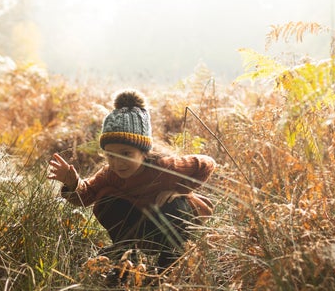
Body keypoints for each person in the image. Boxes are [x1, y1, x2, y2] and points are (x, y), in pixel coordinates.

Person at [48, 89, 216, 275]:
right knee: (106, 199)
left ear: (143, 152)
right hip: (142, 226)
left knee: (174, 204)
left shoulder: (165, 167)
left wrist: (181, 190)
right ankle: (127, 259)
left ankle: (168, 267)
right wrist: (72, 183)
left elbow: (206, 164)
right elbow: (87, 195)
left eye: (126, 154)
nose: (118, 163)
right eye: (110, 155)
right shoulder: (110, 174)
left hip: (173, 224)